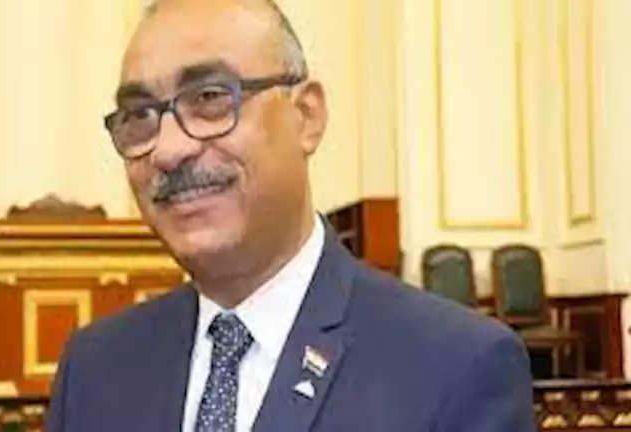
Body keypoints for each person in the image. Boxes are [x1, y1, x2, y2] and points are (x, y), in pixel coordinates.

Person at [45, 0, 536, 430]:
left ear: (306, 116)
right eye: (139, 116)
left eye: (210, 99)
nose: (169, 150)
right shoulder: (94, 369)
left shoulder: (453, 366)